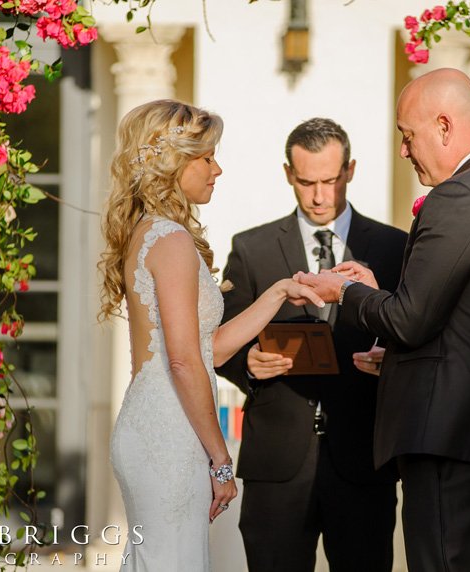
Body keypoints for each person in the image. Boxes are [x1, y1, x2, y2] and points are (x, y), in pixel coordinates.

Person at [296, 69, 470, 571]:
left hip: (450, 438)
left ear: (443, 125)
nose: (403, 150)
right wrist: (395, 353)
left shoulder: (461, 196)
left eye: (406, 135)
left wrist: (345, 290)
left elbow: (411, 320)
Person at [98, 100, 323, 571]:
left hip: (153, 420)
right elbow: (184, 361)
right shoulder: (172, 240)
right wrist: (221, 459)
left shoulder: (151, 232)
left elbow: (210, 347)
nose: (217, 169)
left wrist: (279, 292)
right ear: (173, 161)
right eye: (207, 157)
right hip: (170, 432)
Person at [216, 118, 407, 572]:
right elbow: (221, 340)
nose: (320, 196)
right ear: (288, 174)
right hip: (276, 465)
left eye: (330, 180)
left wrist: (393, 360)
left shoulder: (395, 246)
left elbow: (413, 328)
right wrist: (248, 364)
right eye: (306, 182)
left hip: (364, 462)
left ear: (351, 170)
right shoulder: (252, 248)